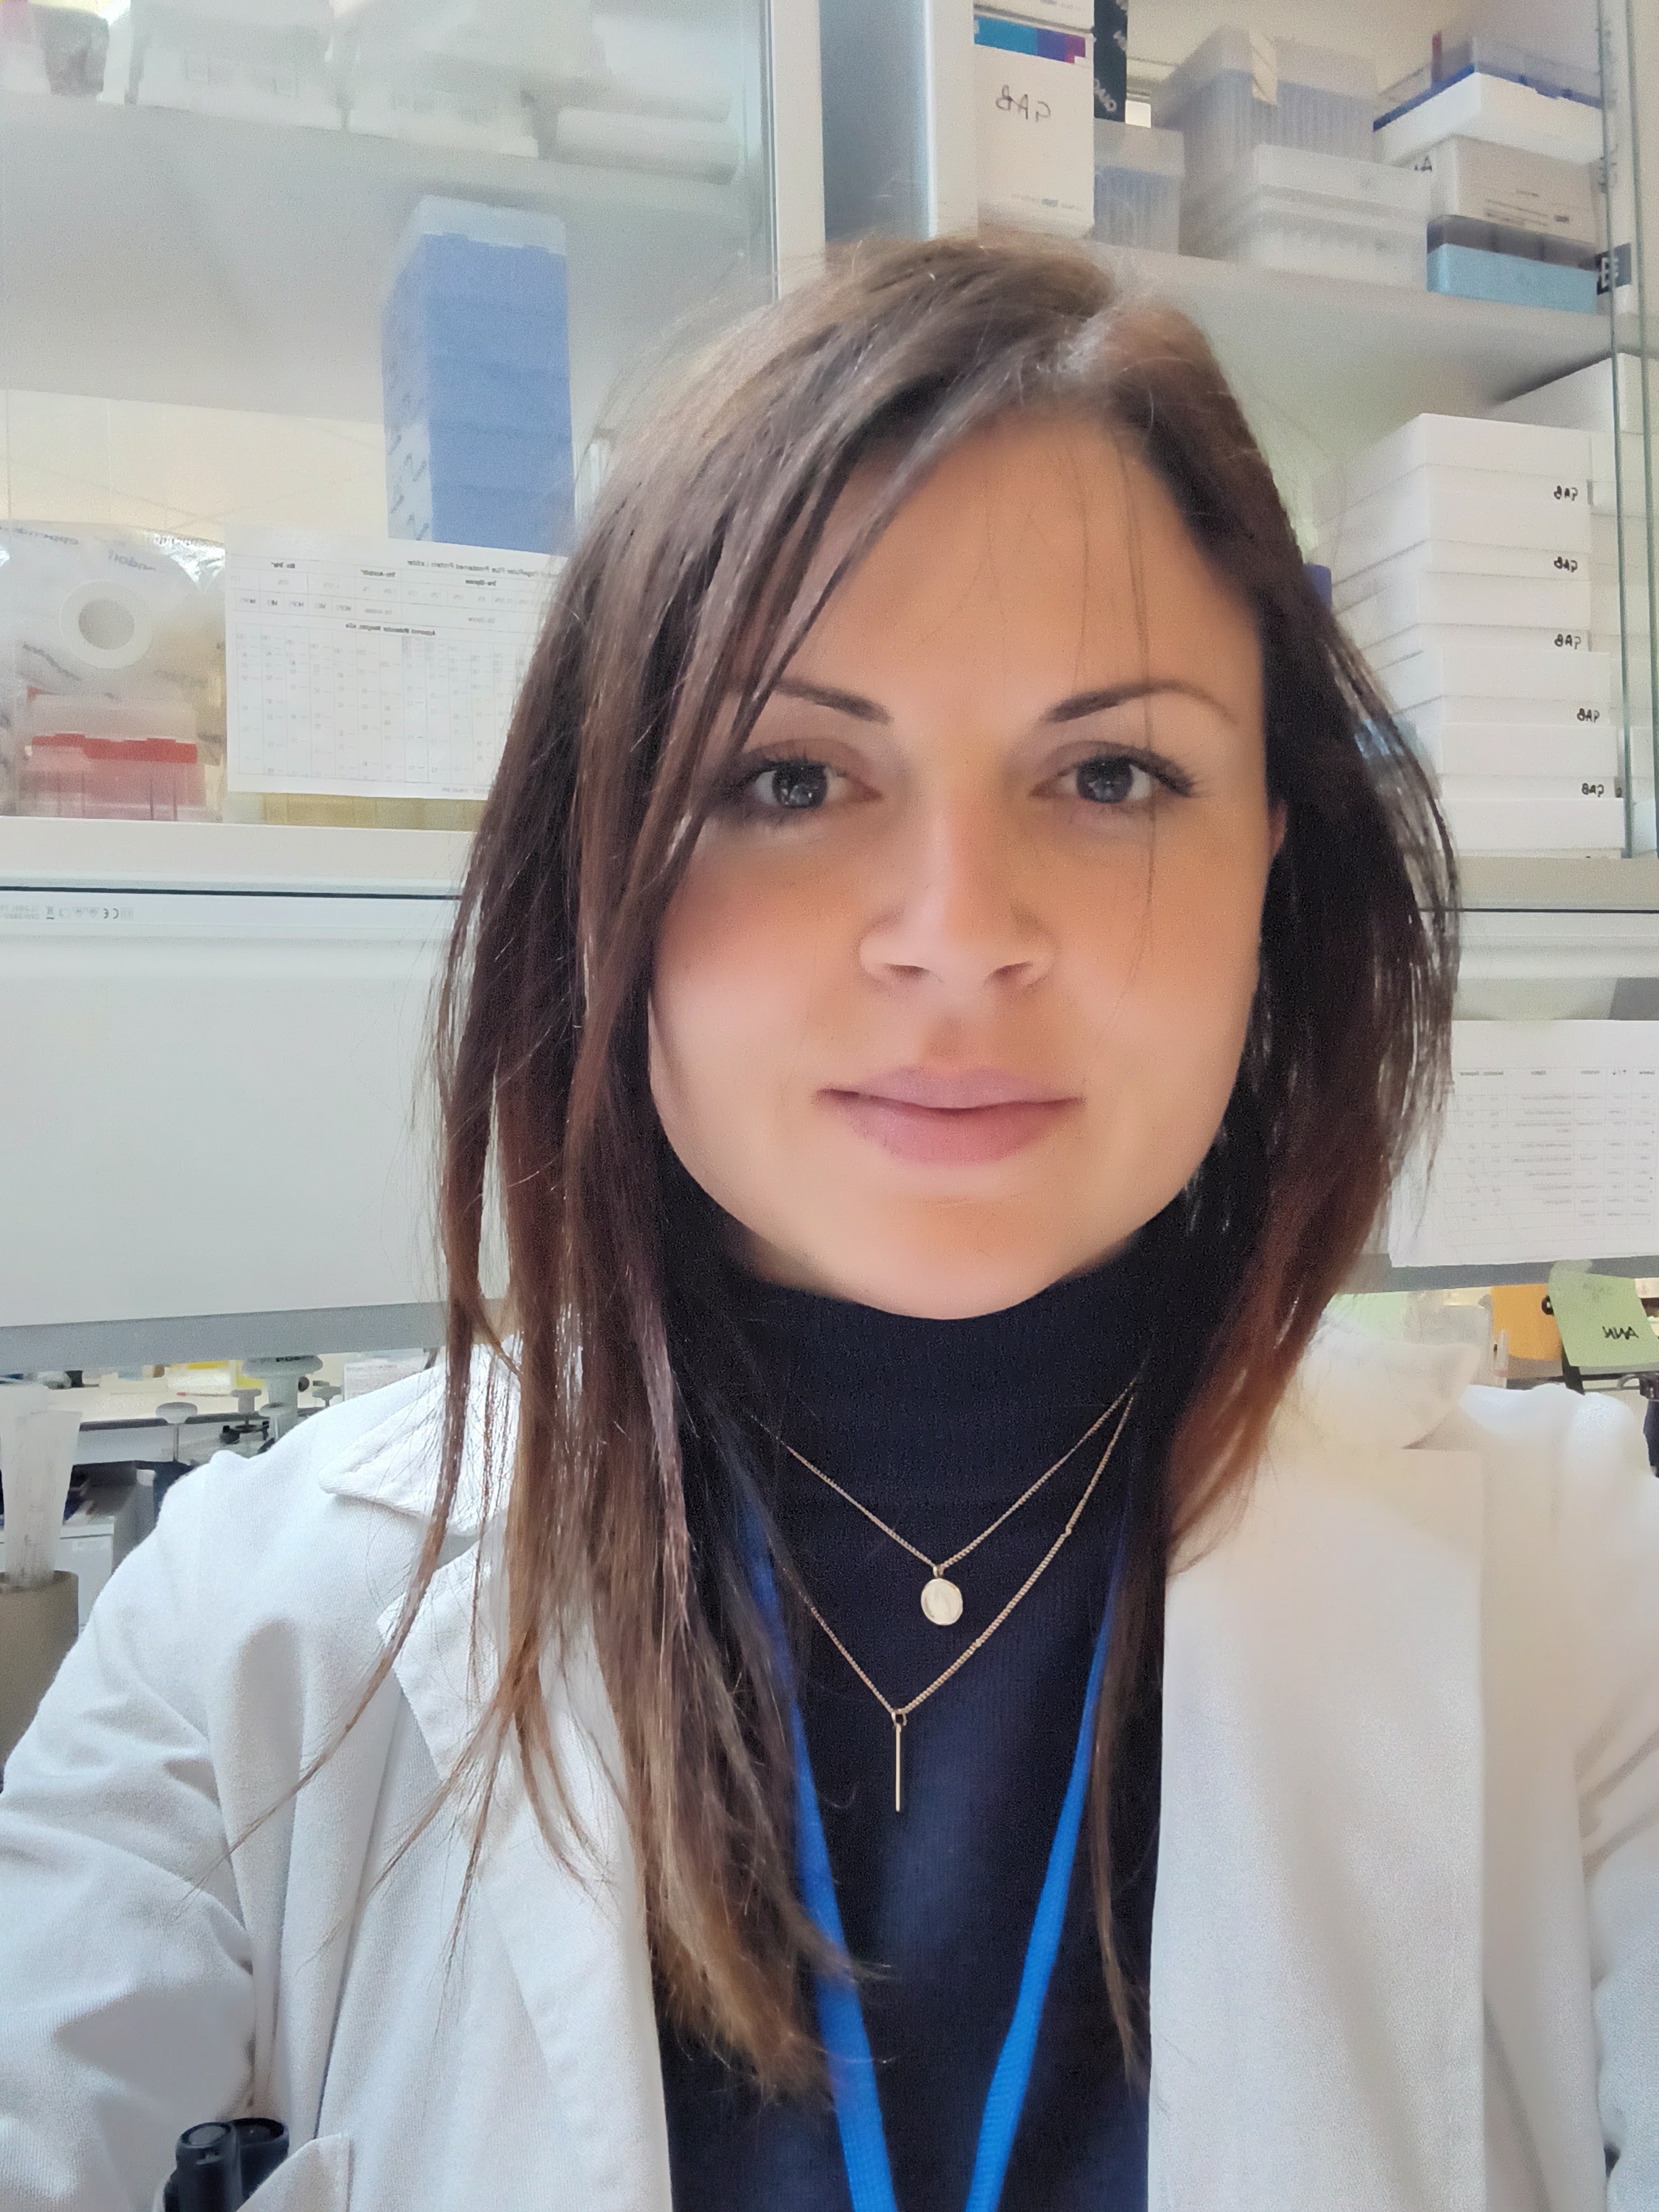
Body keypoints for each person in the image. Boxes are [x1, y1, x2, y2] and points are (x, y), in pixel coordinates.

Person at [1, 235, 1655, 2212]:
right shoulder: (242, 1633)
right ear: (600, 859)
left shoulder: (1583, 1599)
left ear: (1272, 858)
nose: (958, 937)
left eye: (1111, 774)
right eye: (791, 777)